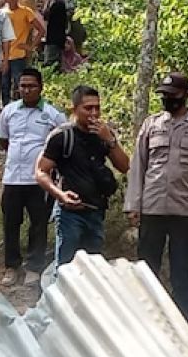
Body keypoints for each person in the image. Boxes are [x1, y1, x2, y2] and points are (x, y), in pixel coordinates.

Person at [125, 73, 188, 325]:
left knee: (181, 274)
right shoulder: (151, 124)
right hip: (152, 209)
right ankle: (148, 325)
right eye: (164, 96)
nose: (167, 100)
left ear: (186, 95)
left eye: (173, 96)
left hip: (185, 212)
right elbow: (138, 165)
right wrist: (133, 204)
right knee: (146, 272)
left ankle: (184, 325)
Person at [36, 85, 130, 267]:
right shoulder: (62, 136)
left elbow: (125, 166)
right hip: (70, 214)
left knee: (93, 268)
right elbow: (41, 172)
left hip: (96, 211)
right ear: (75, 109)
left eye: (97, 108)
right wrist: (60, 195)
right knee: (66, 267)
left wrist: (109, 140)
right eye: (88, 108)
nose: (94, 113)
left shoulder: (103, 135)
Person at [0, 68, 65, 286]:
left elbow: (61, 145)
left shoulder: (53, 115)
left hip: (39, 179)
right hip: (12, 178)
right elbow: (4, 140)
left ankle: (34, 267)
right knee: (11, 223)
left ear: (41, 88)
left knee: (38, 223)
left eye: (31, 86)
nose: (26, 90)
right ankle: (12, 266)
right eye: (23, 85)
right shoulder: (8, 112)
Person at [1, 0, 45, 105]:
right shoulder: (1, 13)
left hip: (18, 55)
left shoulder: (26, 12)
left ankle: (20, 106)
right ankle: (5, 109)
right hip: (3, 55)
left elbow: (41, 30)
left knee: (19, 84)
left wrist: (31, 47)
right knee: (4, 85)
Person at [42, 0, 69, 71]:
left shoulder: (58, 4)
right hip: (58, 39)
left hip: (54, 39)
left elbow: (45, 15)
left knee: (50, 64)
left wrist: (47, 1)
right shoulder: (61, 3)